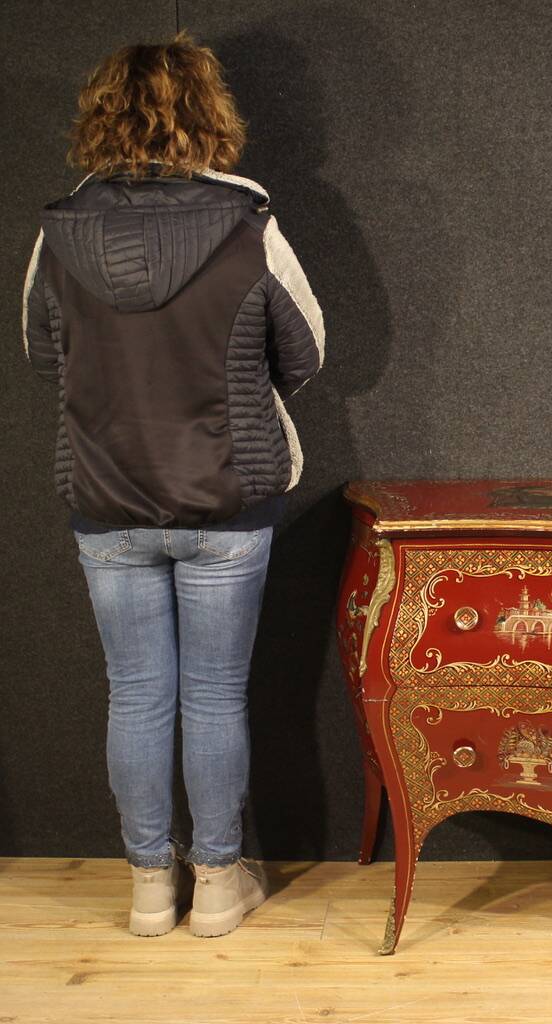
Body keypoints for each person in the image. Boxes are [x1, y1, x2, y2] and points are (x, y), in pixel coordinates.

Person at [20, 31, 325, 937]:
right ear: (208, 114)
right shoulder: (251, 227)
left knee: (137, 695)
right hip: (227, 500)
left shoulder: (57, 234)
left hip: (107, 499)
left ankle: (150, 889)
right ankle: (219, 886)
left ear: (100, 116)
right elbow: (307, 353)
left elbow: (42, 353)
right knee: (215, 697)